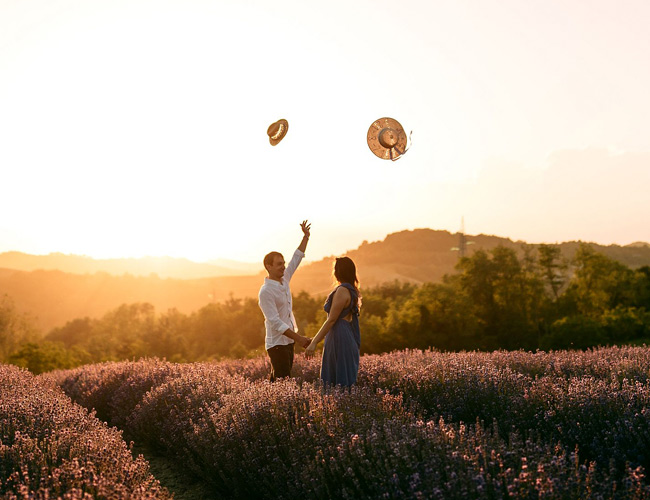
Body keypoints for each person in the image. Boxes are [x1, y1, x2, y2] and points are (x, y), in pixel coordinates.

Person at [258, 220, 312, 381]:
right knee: (283, 381)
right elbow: (275, 322)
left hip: (288, 341)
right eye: (279, 264)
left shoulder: (285, 279)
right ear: (268, 266)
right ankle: (276, 406)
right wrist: (299, 338)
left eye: (283, 264)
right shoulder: (266, 291)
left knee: (278, 381)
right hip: (276, 343)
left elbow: (297, 258)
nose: (283, 267)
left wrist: (306, 237)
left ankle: (266, 404)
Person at [305, 256, 361, 387]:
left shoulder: (342, 291)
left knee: (335, 381)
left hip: (339, 337)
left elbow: (331, 321)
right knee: (343, 381)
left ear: (338, 272)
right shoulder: (352, 291)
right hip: (346, 335)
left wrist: (314, 343)